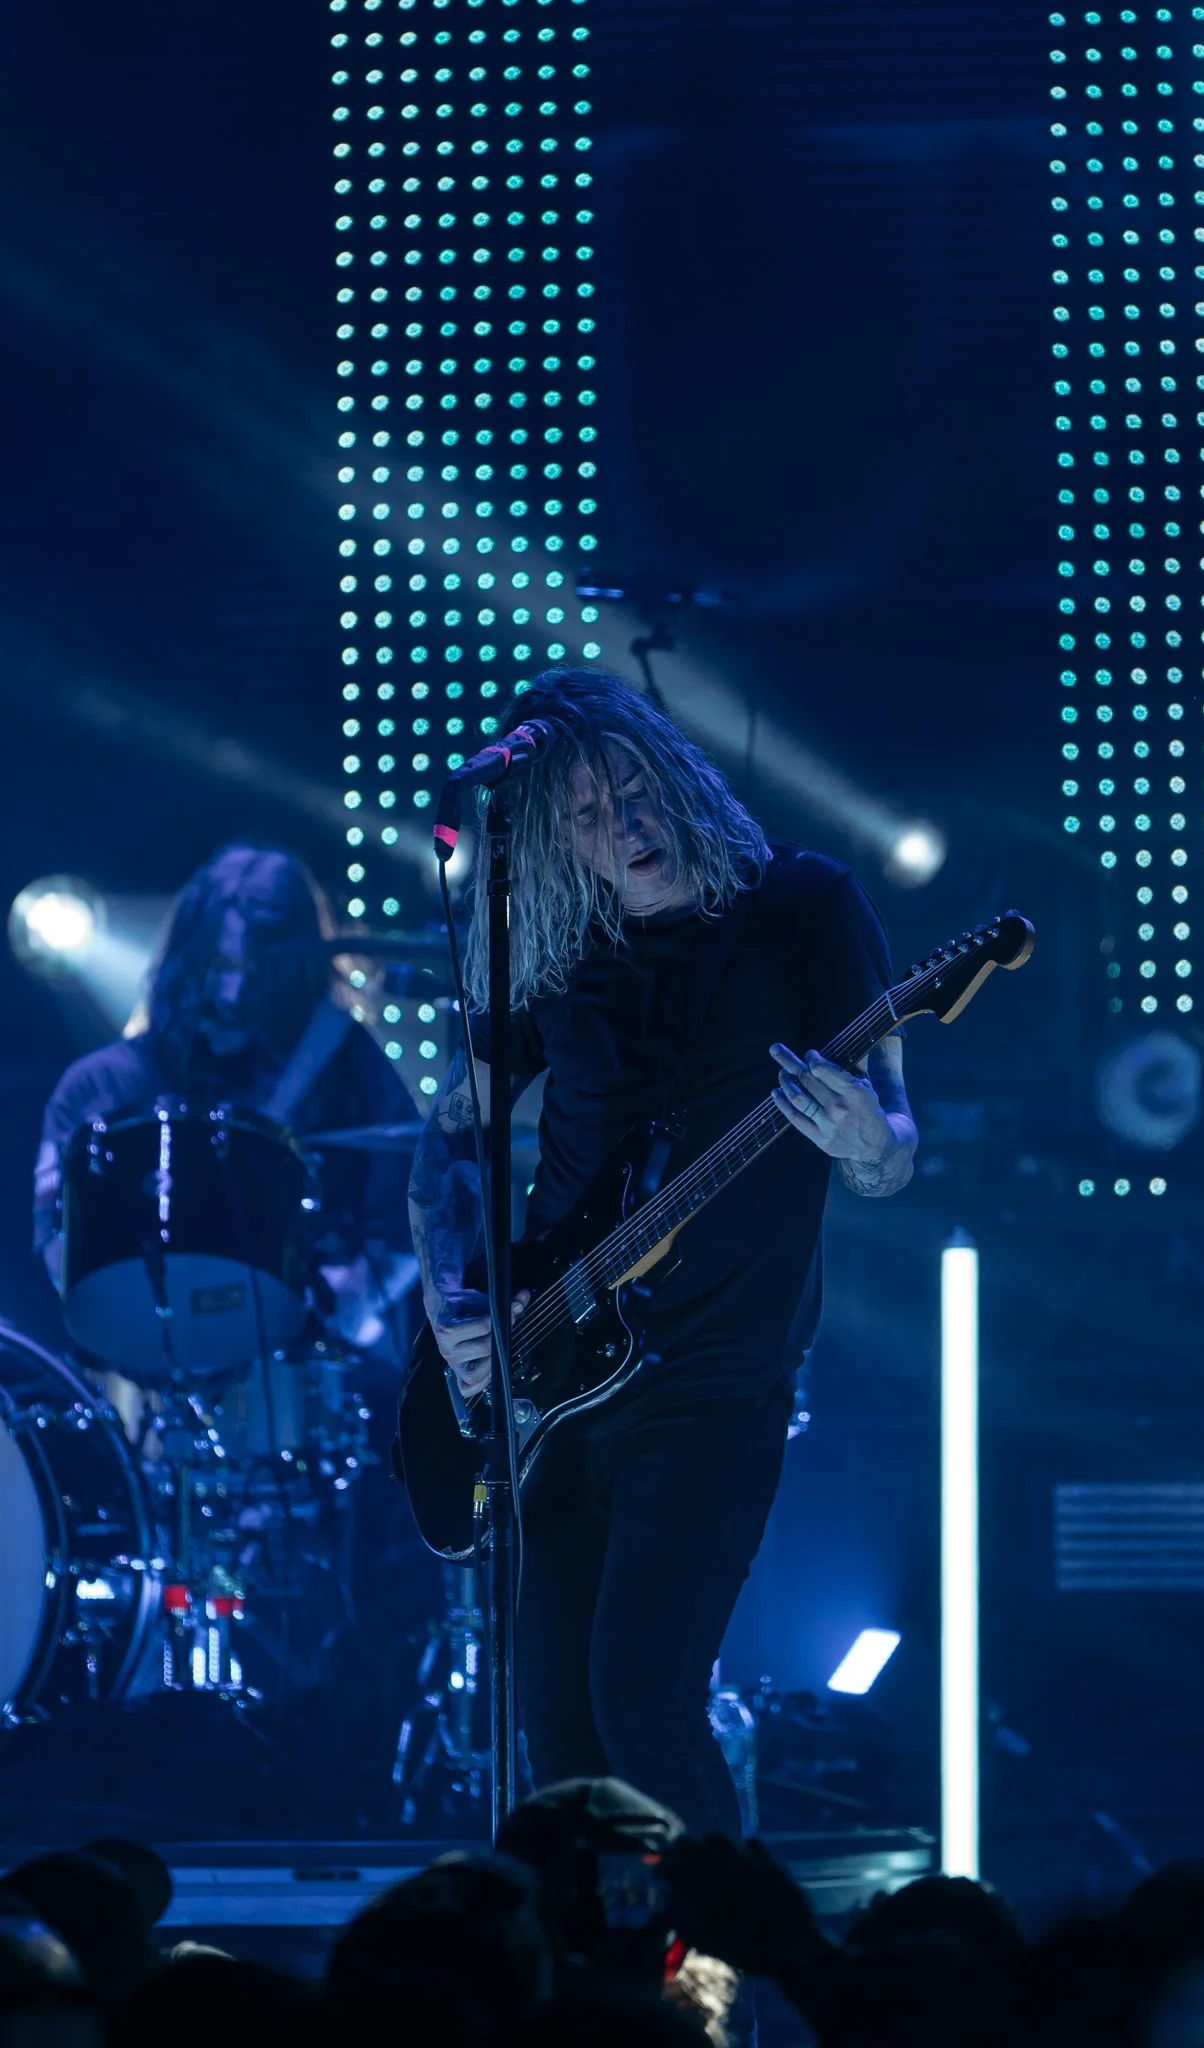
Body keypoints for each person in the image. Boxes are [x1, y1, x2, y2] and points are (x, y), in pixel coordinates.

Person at [406, 669, 917, 1838]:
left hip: (715, 1377)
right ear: (550, 836)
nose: (622, 826)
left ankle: (726, 1947)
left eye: (633, 790)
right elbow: (449, 1137)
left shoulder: (802, 905)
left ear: (676, 774)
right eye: (585, 814)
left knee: (643, 1699)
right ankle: (603, 1946)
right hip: (552, 1376)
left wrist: (869, 1145)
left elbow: (894, 1134)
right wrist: (446, 1294)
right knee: (558, 1733)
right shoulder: (551, 940)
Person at [34, 843, 418, 1355]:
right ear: (186, 961)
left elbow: (416, 1211)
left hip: (308, 1361)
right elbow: (57, 1235)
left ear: (297, 973)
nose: (234, 993)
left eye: (258, 974)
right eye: (218, 966)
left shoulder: (345, 1062)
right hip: (148, 1358)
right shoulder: (99, 1087)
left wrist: (347, 1302)